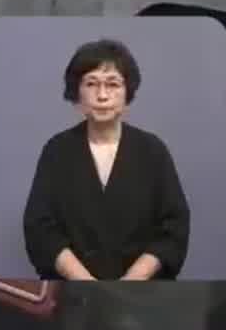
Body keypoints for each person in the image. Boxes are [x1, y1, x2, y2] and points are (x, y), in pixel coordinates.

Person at [22, 38, 190, 280]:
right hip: (73, 290)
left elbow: (174, 228)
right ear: (77, 92)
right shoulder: (57, 150)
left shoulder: (153, 151)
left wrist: (132, 281)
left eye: (113, 84)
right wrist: (84, 281)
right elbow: (40, 228)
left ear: (127, 92)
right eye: (91, 84)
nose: (102, 96)